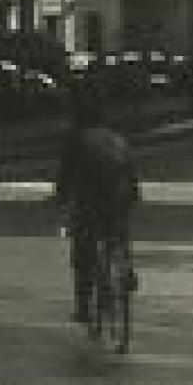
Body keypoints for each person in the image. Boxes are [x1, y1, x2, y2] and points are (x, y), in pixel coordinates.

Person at [53, 91, 141, 325]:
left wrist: (59, 198)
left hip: (91, 201)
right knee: (119, 234)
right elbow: (131, 173)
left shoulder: (77, 139)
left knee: (82, 250)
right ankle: (127, 269)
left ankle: (83, 308)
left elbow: (65, 177)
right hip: (120, 198)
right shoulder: (117, 138)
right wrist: (133, 196)